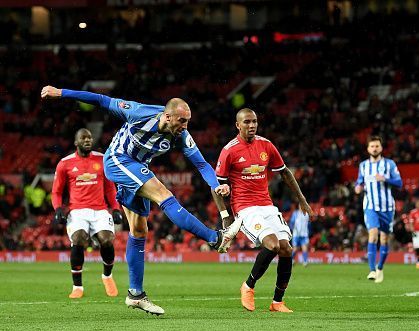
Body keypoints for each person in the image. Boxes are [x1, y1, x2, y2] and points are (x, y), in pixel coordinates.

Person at [41, 86, 242, 316]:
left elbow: (202, 164)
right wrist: (61, 93)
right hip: (117, 160)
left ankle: (135, 294)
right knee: (163, 194)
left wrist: (216, 184)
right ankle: (215, 238)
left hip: (136, 169)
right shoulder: (138, 112)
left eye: (187, 121)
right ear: (167, 116)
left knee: (139, 231)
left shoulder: (182, 136)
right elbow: (100, 99)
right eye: (182, 121)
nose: (185, 127)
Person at [215, 108, 313, 313]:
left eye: (254, 122)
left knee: (286, 248)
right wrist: (226, 217)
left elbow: (284, 172)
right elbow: (216, 186)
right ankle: (248, 286)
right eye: (247, 122)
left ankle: (277, 302)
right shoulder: (229, 151)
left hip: (267, 205)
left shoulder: (266, 145)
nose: (252, 126)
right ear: (238, 125)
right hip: (245, 208)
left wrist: (302, 199)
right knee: (273, 244)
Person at [52, 128, 123, 299]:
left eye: (89, 138)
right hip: (77, 211)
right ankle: (78, 287)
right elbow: (56, 192)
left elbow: (109, 188)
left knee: (107, 240)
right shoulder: (65, 163)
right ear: (76, 142)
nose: (87, 140)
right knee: (78, 239)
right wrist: (58, 208)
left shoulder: (101, 159)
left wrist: (115, 208)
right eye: (83, 138)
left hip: (99, 210)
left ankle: (107, 276)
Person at [354, 136, 402, 283]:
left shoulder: (389, 164)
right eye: (372, 146)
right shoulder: (363, 166)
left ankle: (380, 267)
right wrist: (357, 187)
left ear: (381, 148)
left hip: (387, 207)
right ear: (368, 149)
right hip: (370, 205)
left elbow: (399, 183)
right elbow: (359, 182)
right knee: (373, 234)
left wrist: (385, 179)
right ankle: (372, 270)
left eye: (377, 146)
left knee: (384, 238)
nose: (374, 148)